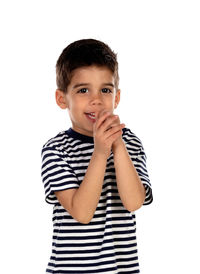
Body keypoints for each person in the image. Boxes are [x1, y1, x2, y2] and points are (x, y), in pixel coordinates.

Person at [41, 38, 153, 274]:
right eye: (83, 90)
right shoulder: (56, 149)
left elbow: (133, 202)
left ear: (117, 98)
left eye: (105, 90)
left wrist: (118, 146)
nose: (96, 99)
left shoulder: (130, 143)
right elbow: (82, 213)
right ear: (62, 99)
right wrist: (100, 152)